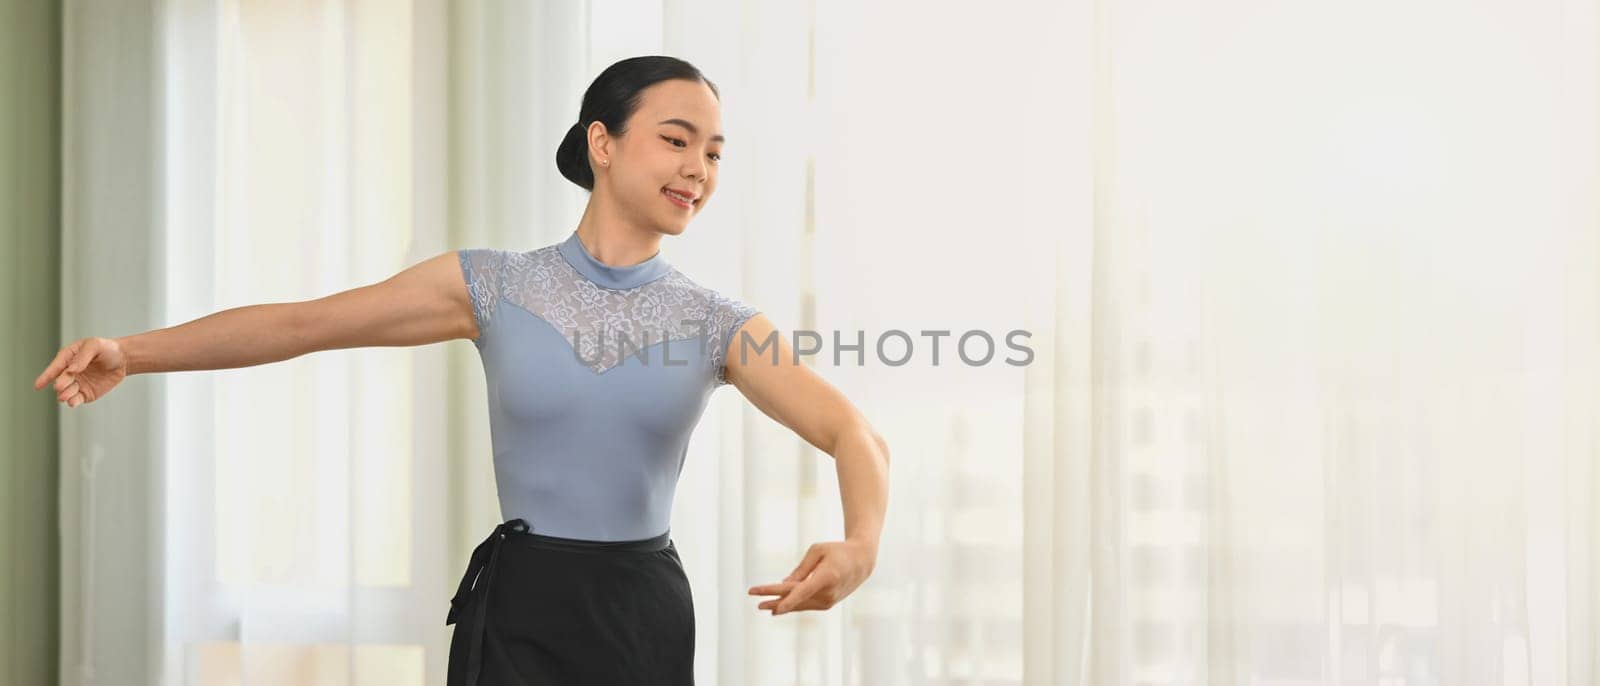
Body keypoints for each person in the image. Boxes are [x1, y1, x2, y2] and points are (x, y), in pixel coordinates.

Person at [32, 54, 890, 685]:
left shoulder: (715, 322)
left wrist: (861, 544)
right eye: (676, 140)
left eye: (713, 152)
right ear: (603, 142)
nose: (698, 170)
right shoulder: (490, 285)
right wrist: (132, 353)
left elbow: (854, 433)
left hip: (640, 616)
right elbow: (303, 324)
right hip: (518, 609)